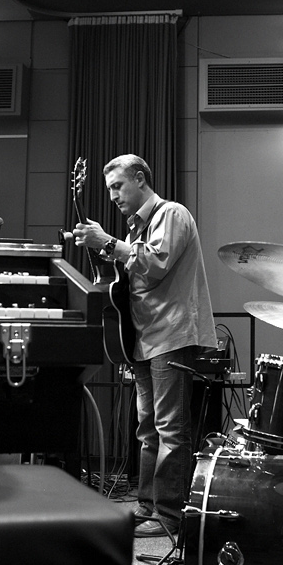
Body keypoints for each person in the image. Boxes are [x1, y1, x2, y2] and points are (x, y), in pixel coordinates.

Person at [72, 154, 217, 537]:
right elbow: (125, 283)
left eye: (118, 186)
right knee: (148, 429)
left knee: (169, 428)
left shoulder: (171, 214)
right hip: (145, 339)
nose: (113, 196)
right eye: (109, 189)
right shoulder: (136, 229)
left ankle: (169, 516)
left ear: (140, 178)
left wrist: (108, 242)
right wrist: (105, 250)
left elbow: (155, 264)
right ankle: (148, 506)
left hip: (171, 334)